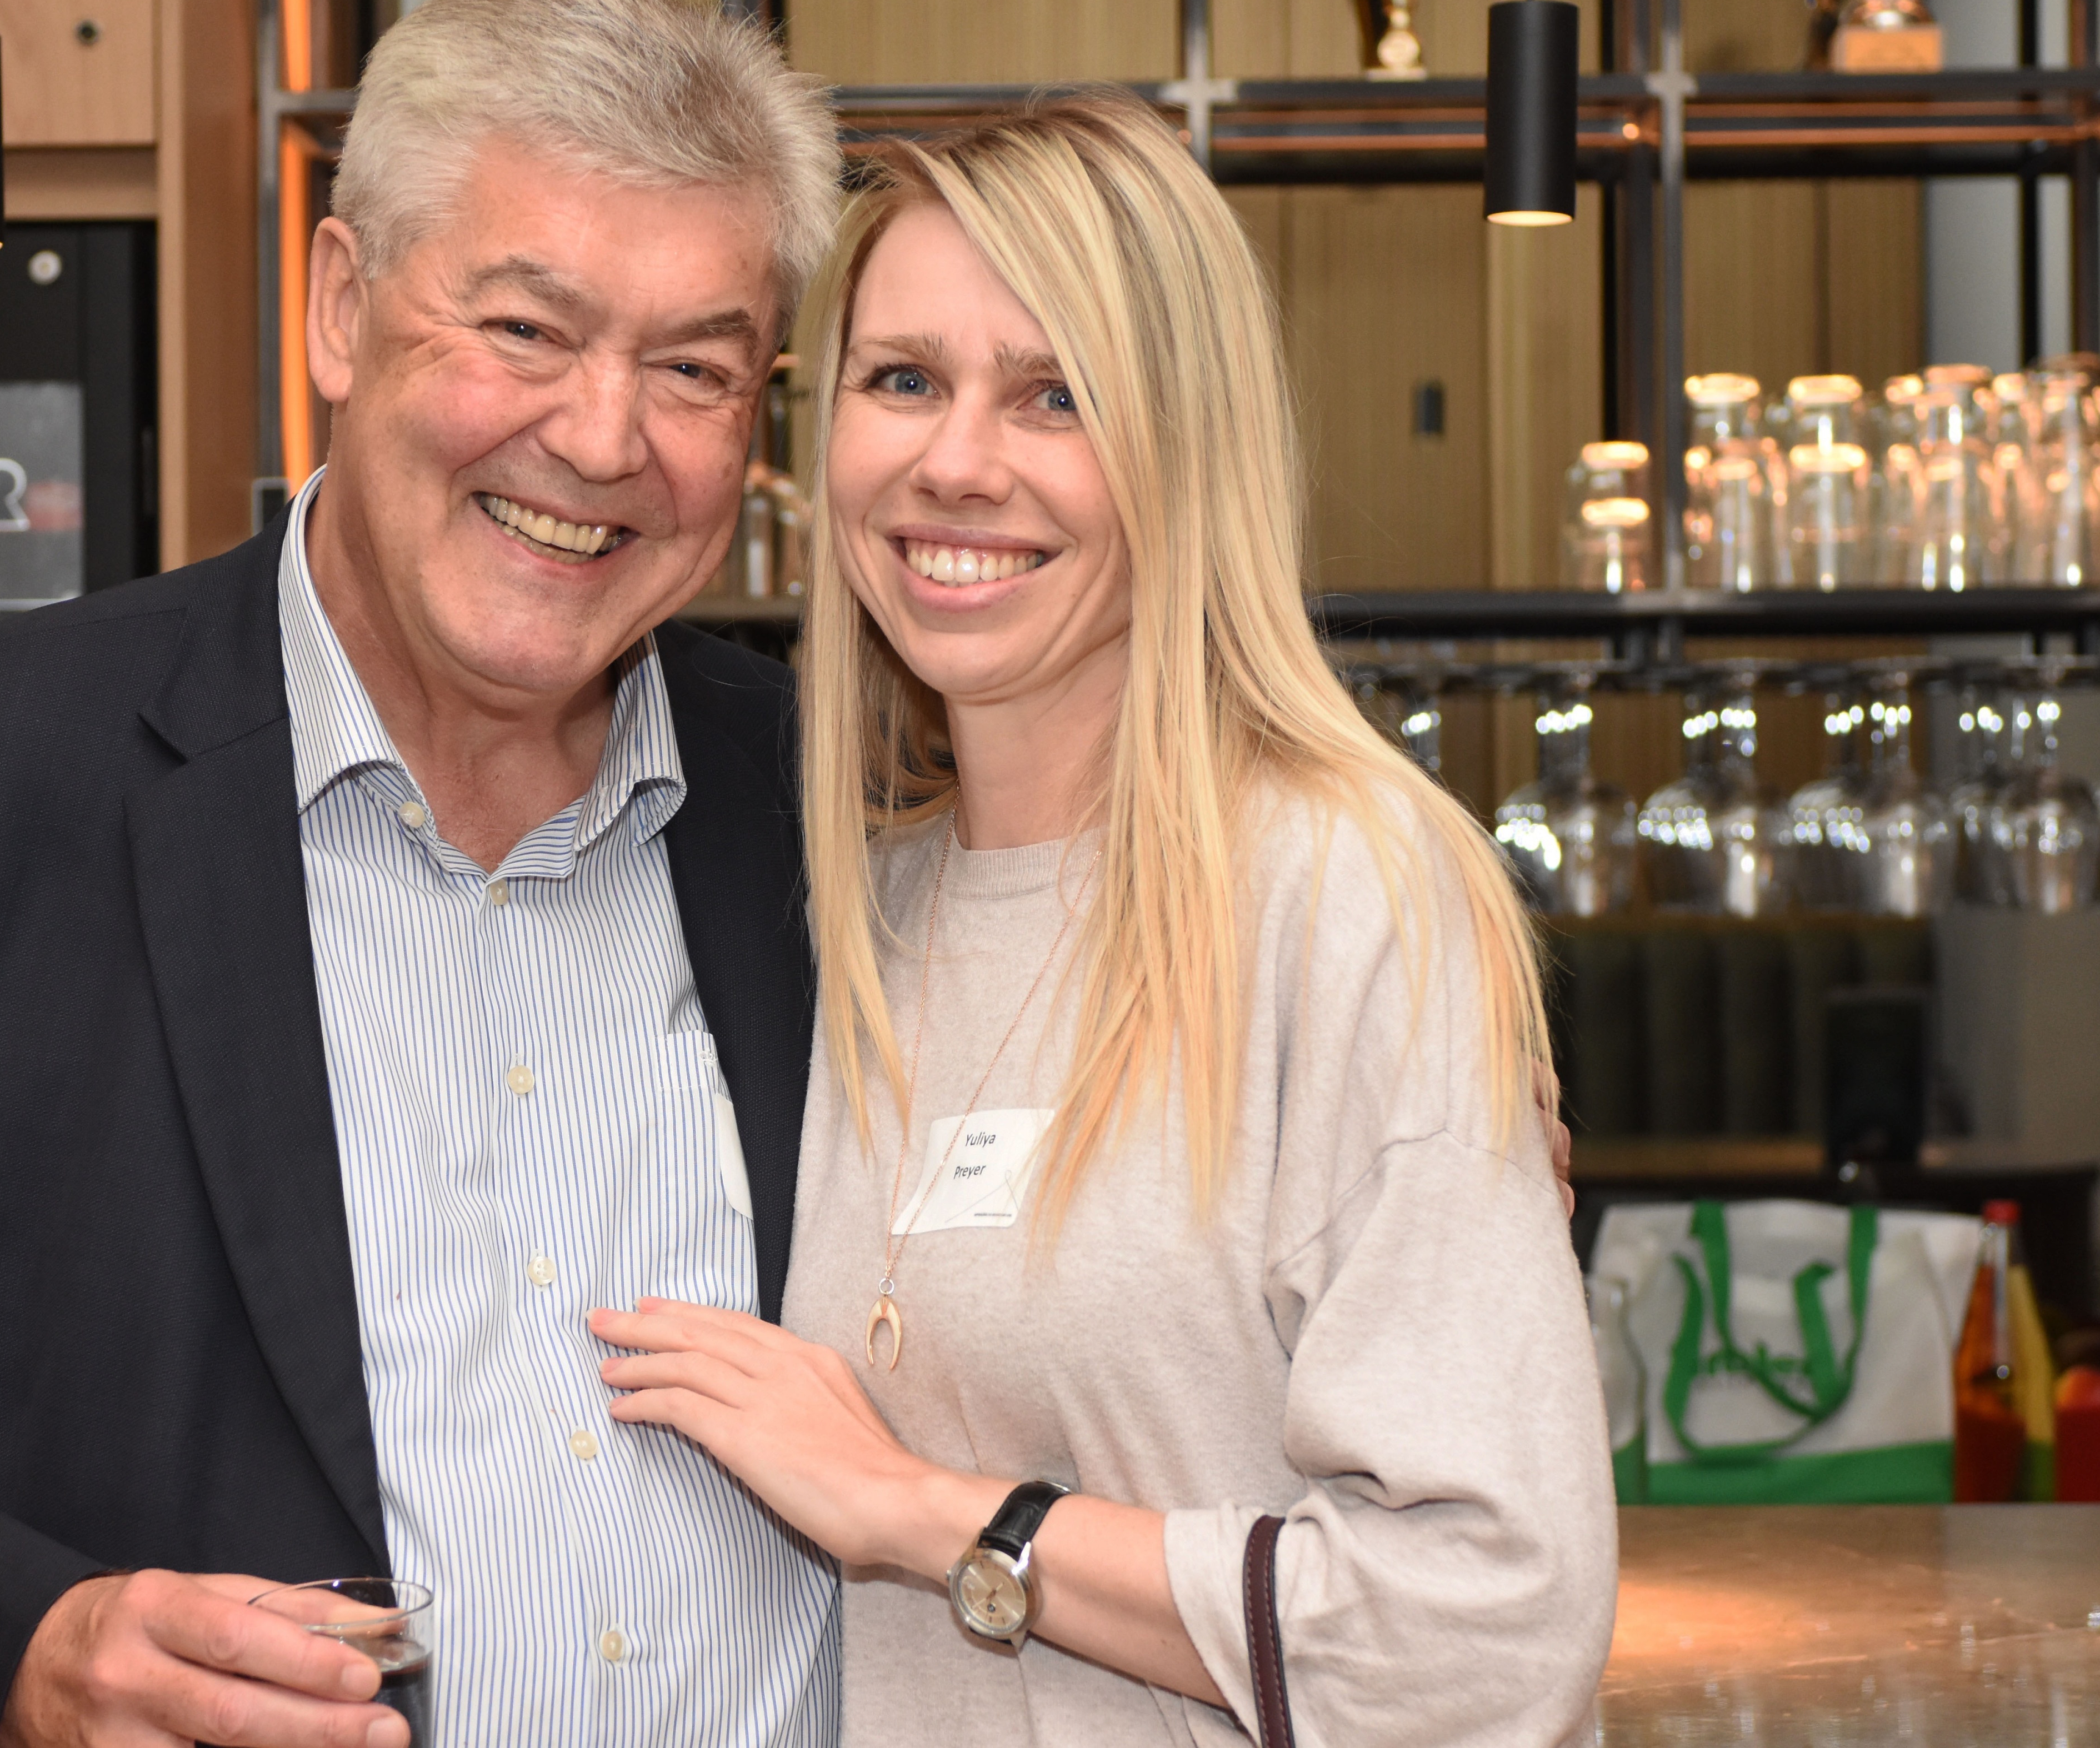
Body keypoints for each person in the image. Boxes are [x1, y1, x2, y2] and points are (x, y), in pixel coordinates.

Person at [0, 0, 844, 1748]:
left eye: (695, 368)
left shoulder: (828, 804)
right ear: (340, 307)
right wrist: (22, 1650)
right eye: (526, 331)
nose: (605, 439)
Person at [594, 91, 1618, 1745]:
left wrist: (925, 1513)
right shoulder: (841, 914)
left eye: (1054, 395)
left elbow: (1488, 1633)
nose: (956, 462)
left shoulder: (1348, 891)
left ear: (1184, 448)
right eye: (902, 379)